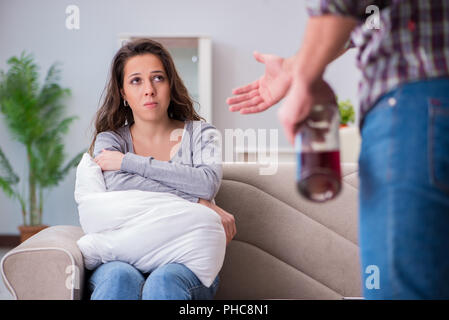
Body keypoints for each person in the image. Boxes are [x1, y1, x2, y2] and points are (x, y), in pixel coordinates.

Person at [227, 0, 449, 299]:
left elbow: (346, 5)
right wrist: (295, 68)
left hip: (417, 106)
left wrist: (304, 79)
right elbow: (369, 16)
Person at [86, 38, 236, 300]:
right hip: (121, 257)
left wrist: (129, 162)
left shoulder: (201, 134)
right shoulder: (110, 141)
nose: (149, 90)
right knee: (120, 278)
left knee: (163, 281)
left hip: (184, 261)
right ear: (123, 93)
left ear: (170, 85)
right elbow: (116, 186)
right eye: (136, 81)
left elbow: (207, 183)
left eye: (158, 78)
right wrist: (196, 201)